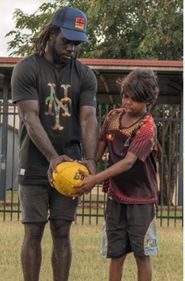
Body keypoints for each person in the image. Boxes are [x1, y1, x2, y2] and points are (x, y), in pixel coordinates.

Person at [11, 6, 97, 281]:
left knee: (62, 228)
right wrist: (51, 157)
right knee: (33, 229)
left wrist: (91, 160)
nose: (72, 48)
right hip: (35, 163)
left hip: (71, 164)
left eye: (77, 43)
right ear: (51, 33)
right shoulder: (26, 69)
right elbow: (29, 116)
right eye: (67, 41)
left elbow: (88, 120)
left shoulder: (85, 75)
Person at [75, 69, 160, 281]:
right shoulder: (112, 117)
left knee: (142, 254)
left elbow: (128, 162)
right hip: (115, 196)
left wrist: (95, 180)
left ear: (147, 100)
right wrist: (87, 169)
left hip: (141, 199)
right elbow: (99, 148)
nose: (128, 102)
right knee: (116, 253)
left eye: (134, 99)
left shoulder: (147, 127)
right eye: (126, 96)